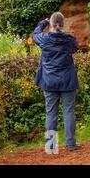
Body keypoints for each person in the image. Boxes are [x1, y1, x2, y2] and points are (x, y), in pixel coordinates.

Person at [32, 12, 82, 151]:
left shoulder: (44, 39)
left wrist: (44, 22)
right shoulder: (69, 40)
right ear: (63, 24)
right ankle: (70, 144)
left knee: (51, 113)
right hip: (68, 81)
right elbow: (75, 48)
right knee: (69, 112)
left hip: (49, 82)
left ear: (51, 24)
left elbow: (34, 34)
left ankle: (51, 146)